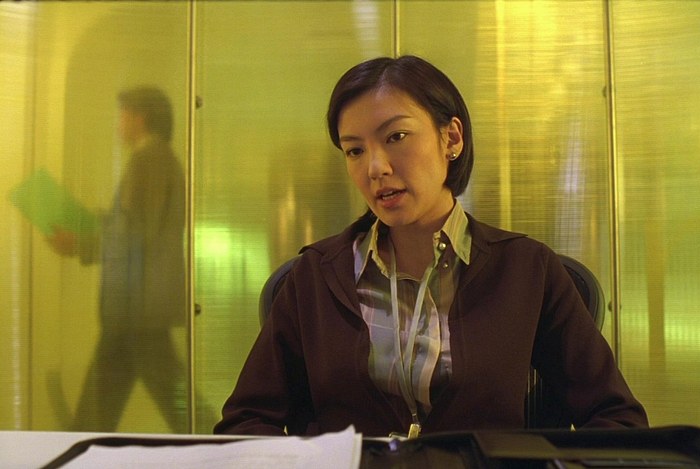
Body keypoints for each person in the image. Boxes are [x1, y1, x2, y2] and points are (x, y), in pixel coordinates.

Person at [215, 56, 648, 437]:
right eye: (354, 151)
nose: (375, 168)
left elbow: (615, 419)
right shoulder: (315, 276)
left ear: (452, 139)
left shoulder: (527, 270)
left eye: (396, 137)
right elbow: (245, 421)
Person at [47, 86, 190, 432]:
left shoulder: (150, 159)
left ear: (140, 117)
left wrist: (80, 242)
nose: (118, 124)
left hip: (136, 309)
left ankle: (225, 445)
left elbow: (136, 232)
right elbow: (131, 225)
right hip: (135, 309)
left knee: (173, 403)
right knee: (109, 407)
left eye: (122, 115)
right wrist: (85, 231)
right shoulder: (153, 160)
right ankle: (221, 443)